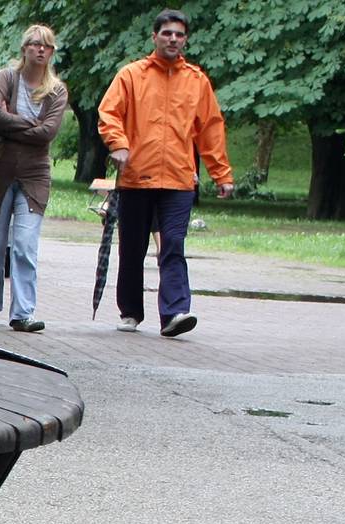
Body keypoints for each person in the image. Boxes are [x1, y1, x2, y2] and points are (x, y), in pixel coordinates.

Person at [97, 8, 234, 337]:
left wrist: (221, 174)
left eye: (179, 34)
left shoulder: (197, 81)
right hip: (136, 177)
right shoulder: (132, 75)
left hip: (178, 180)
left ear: (185, 39)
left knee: (173, 243)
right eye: (167, 33)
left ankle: (175, 312)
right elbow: (109, 113)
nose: (173, 39)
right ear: (154, 36)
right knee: (132, 247)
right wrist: (118, 144)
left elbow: (210, 130)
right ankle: (130, 311)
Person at [0, 24, 68, 333]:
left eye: (47, 46)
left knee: (25, 245)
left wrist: (11, 123)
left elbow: (48, 133)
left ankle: (23, 313)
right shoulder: (6, 78)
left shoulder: (56, 90)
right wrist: (30, 125)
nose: (41, 50)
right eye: (35, 44)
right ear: (24, 48)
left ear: (51, 52)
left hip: (34, 176)